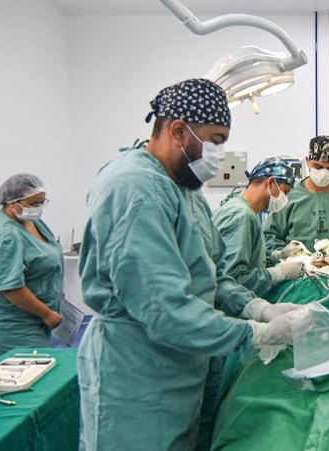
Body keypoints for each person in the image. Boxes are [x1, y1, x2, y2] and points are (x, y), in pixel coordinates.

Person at [77, 78, 301, 451]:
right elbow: (164, 308)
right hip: (136, 375)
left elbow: (213, 274)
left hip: (183, 365)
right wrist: (253, 334)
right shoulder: (133, 188)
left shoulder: (186, 190)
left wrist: (258, 308)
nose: (220, 153)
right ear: (179, 130)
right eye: (215, 140)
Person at [0, 174, 63, 358]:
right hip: (11, 323)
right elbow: (11, 288)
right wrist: (47, 314)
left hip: (35, 316)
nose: (38, 208)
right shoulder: (4, 236)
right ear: (12, 202)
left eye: (42, 202)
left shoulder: (30, 221)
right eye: (34, 204)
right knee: (39, 370)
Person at [264, 135, 329, 262]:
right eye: (318, 167)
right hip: (296, 270)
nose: (324, 173)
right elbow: (270, 236)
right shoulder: (290, 195)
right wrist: (286, 256)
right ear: (307, 161)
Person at [213, 157, 303, 296]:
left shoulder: (247, 212)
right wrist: (278, 273)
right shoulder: (241, 216)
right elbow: (232, 281)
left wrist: (276, 256)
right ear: (271, 182)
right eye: (285, 192)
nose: (285, 198)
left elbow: (249, 258)